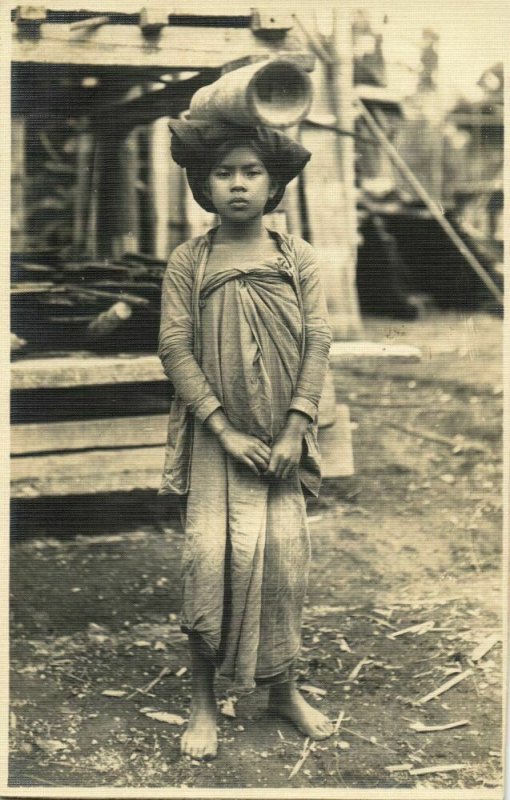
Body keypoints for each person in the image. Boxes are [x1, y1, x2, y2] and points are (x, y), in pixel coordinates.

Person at [158, 118, 334, 760]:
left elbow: (318, 340)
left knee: (283, 569)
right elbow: (174, 349)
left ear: (273, 183)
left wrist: (296, 425)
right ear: (204, 185)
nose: (237, 184)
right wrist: (223, 428)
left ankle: (282, 690)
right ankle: (204, 703)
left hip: (281, 445)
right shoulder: (190, 260)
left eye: (251, 172)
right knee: (210, 566)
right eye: (223, 173)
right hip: (217, 444)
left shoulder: (297, 258)